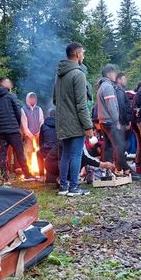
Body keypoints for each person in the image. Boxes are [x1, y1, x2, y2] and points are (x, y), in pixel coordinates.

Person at [53, 42, 94, 196]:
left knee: (66, 154)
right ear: (77, 54)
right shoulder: (78, 74)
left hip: (62, 121)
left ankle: (63, 187)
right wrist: (88, 126)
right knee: (76, 154)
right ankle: (74, 188)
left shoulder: (59, 75)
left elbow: (55, 100)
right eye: (82, 53)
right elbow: (81, 105)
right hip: (76, 122)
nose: (83, 55)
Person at [97, 65, 137, 178]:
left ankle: (107, 172)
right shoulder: (108, 87)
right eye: (114, 73)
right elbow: (112, 106)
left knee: (108, 147)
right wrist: (116, 121)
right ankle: (126, 170)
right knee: (119, 146)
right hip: (110, 121)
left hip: (103, 121)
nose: (115, 75)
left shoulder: (101, 86)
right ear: (109, 74)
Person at [0, 77, 34, 182]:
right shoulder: (10, 96)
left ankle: (4, 176)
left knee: (3, 153)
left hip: (1, 131)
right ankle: (27, 175)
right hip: (13, 130)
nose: (10, 84)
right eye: (8, 82)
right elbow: (18, 112)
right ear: (3, 84)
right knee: (20, 153)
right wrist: (19, 126)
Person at [21, 92, 45, 173]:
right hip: (28, 137)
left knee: (39, 152)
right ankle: (30, 170)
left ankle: (40, 169)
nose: (32, 100)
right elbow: (24, 125)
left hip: (38, 136)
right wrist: (31, 135)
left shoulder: (39, 109)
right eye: (31, 98)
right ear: (28, 99)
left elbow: (42, 122)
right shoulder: (23, 110)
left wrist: (39, 133)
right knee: (28, 152)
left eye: (34, 98)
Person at [38, 109, 59, 183]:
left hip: (46, 151)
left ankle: (41, 175)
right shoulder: (60, 125)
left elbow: (40, 141)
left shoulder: (43, 125)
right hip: (57, 151)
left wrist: (42, 148)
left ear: (49, 115)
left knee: (38, 153)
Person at [115, 72, 134, 147]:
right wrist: (125, 122)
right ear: (119, 80)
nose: (126, 80)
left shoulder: (118, 90)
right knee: (121, 143)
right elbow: (121, 106)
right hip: (122, 122)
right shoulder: (119, 91)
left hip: (120, 121)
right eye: (124, 79)